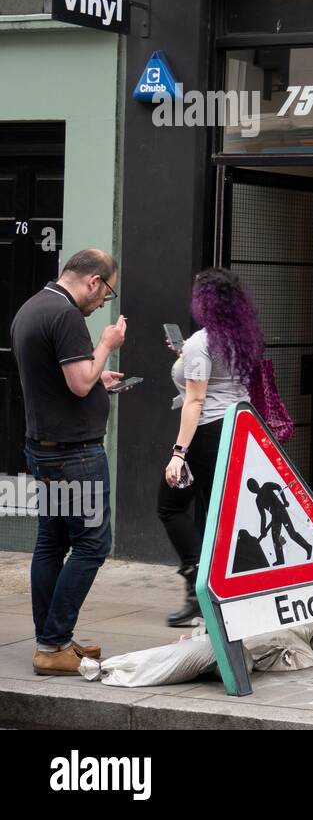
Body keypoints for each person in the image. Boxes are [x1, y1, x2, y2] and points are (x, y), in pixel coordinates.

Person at [11, 249, 127, 674]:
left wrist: (100, 379)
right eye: (105, 294)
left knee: (52, 542)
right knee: (93, 545)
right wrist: (105, 347)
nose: (101, 305)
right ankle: (54, 642)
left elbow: (64, 380)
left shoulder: (31, 307)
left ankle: (51, 640)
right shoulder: (66, 316)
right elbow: (79, 384)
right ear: (94, 281)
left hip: (44, 449)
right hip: (75, 454)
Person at [157, 268, 262, 626]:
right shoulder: (239, 338)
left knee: (170, 505)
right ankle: (219, 591)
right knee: (212, 512)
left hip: (208, 433)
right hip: (239, 429)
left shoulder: (201, 343)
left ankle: (197, 591)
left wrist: (178, 453)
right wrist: (182, 356)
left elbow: (195, 401)